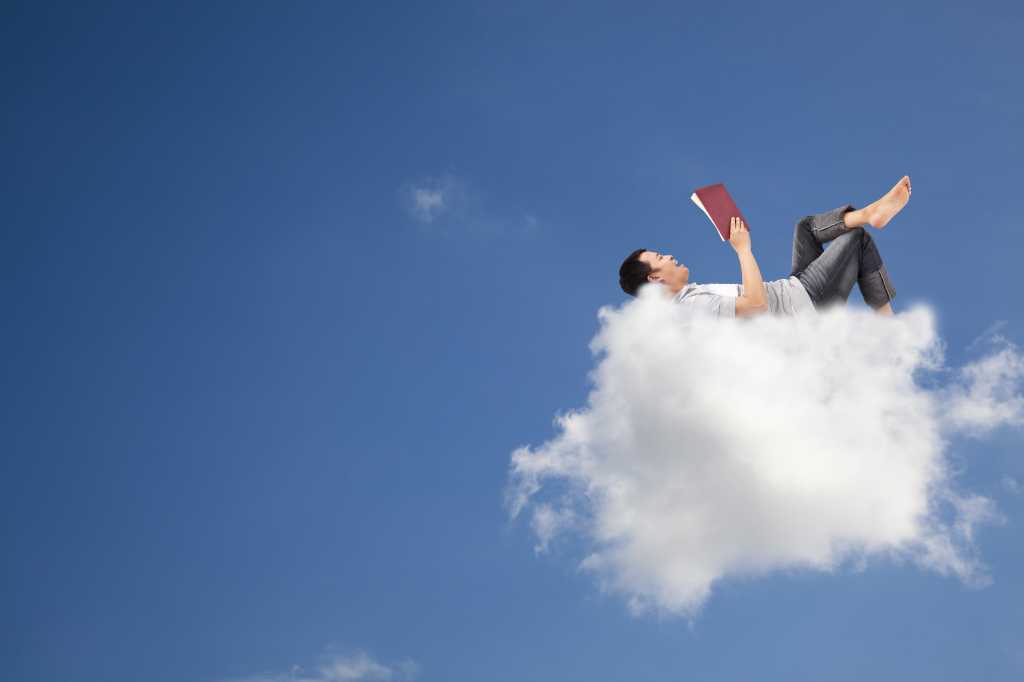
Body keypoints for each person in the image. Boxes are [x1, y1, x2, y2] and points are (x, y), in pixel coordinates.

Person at [617, 176, 911, 318]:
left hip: (792, 290)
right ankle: (885, 325)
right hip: (805, 305)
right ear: (655, 278)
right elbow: (756, 305)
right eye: (660, 257)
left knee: (805, 228)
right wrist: (743, 249)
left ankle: (871, 212)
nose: (668, 255)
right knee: (855, 240)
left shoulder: (691, 297)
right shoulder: (693, 307)